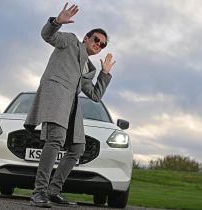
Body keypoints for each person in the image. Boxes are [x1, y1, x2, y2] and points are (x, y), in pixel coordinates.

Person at [24, 2, 116, 208]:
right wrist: (56, 22)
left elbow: (94, 95)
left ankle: (53, 191)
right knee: (55, 140)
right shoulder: (70, 41)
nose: (99, 45)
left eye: (103, 45)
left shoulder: (88, 68)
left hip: (72, 108)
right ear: (86, 38)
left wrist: (105, 74)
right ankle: (38, 192)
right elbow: (48, 36)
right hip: (56, 98)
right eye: (96, 40)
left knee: (77, 148)